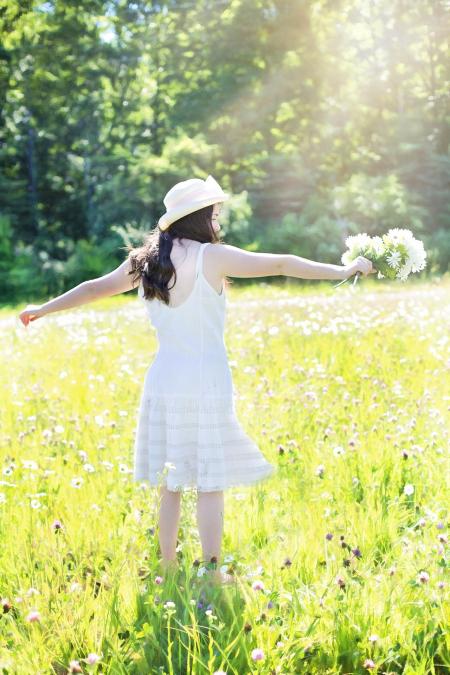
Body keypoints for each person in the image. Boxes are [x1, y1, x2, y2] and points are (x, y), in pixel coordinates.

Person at [18, 174, 376, 586]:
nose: (218, 221)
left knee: (171, 483)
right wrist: (344, 268)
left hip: (164, 380)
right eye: (215, 214)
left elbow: (94, 287)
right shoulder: (212, 257)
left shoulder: (146, 261)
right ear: (201, 218)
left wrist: (42, 309)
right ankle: (210, 570)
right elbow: (281, 264)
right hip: (206, 381)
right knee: (210, 480)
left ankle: (168, 567)